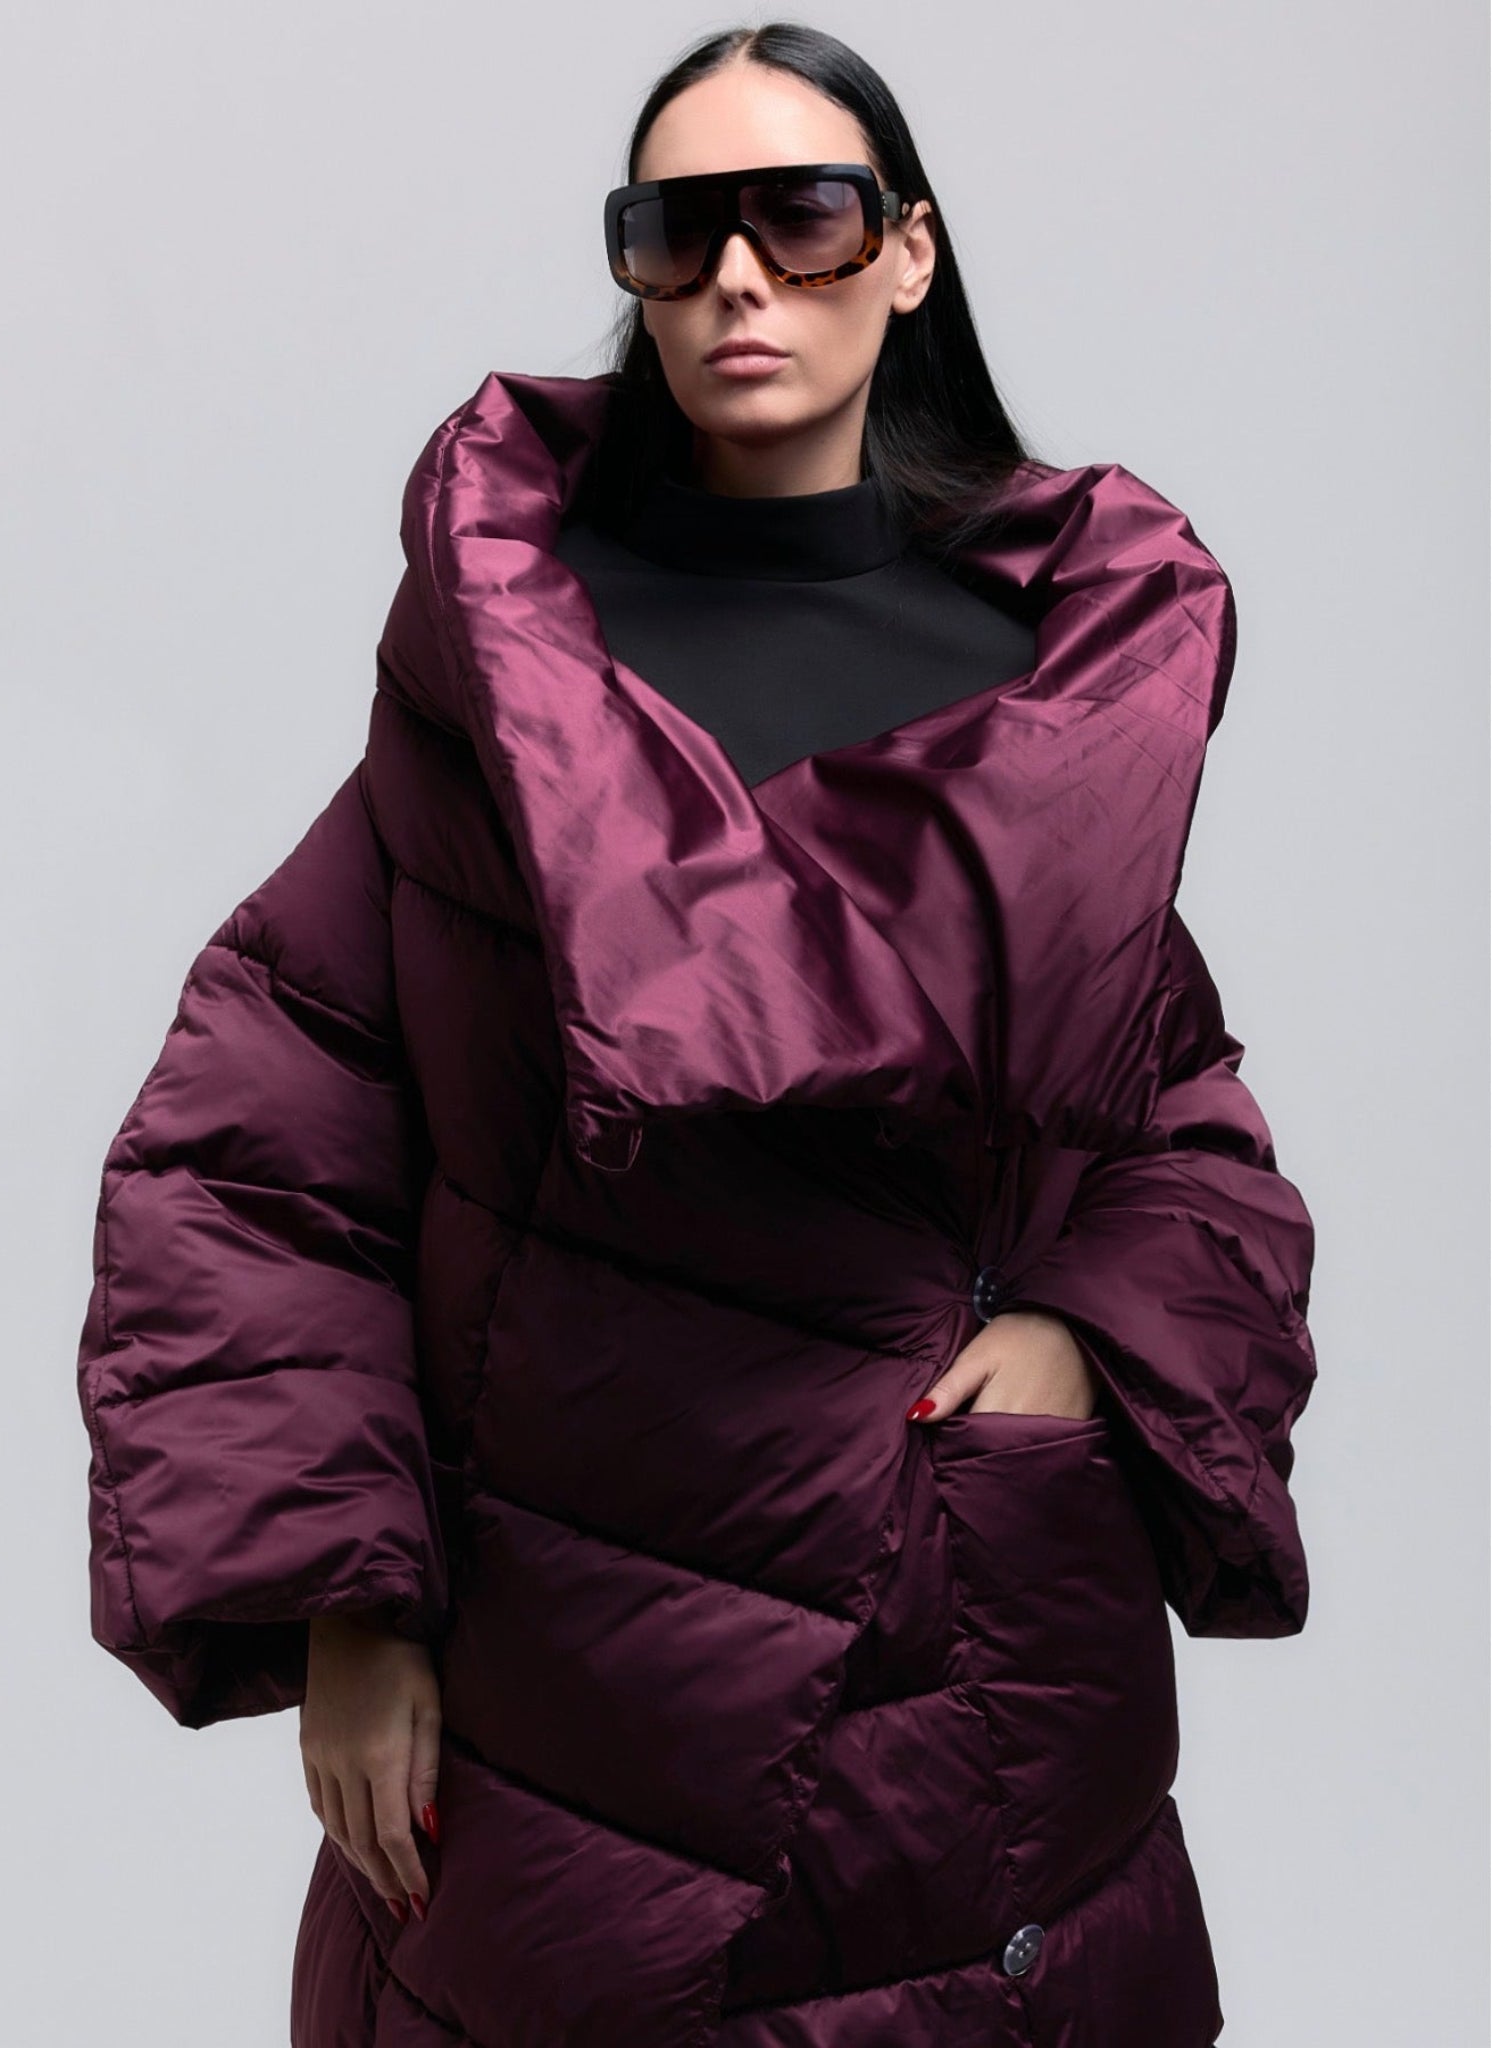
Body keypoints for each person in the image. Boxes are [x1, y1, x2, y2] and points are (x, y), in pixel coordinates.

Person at [74, 22, 1317, 2048]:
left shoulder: (1049, 677)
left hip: (976, 1657)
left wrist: (1086, 1341)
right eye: (677, 230)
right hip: (566, 1680)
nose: (740, 275)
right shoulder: (516, 667)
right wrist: (347, 1595)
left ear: (907, 252)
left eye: (803, 215)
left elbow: (1183, 1120)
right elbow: (258, 1143)